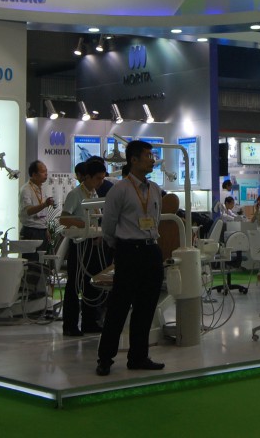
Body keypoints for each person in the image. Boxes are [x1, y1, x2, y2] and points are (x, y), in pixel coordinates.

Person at [96, 140, 165, 376]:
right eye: (148, 156)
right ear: (133, 160)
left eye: (152, 156)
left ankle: (138, 356)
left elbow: (156, 219)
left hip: (151, 250)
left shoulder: (155, 189)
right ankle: (105, 358)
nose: (152, 160)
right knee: (119, 307)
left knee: (146, 307)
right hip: (128, 251)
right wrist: (120, 247)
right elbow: (108, 225)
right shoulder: (119, 190)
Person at [60, 158, 109, 336]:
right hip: (79, 244)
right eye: (98, 178)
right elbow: (64, 219)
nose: (101, 182)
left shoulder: (94, 194)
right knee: (74, 284)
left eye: (102, 178)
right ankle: (70, 325)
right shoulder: (75, 194)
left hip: (93, 243)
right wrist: (85, 225)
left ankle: (90, 322)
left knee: (91, 283)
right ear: (87, 177)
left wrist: (97, 233)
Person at [19, 160, 53, 296]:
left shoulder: (41, 189)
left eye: (46, 171)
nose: (46, 174)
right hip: (31, 231)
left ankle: (39, 294)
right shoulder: (26, 190)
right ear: (34, 174)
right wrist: (44, 205)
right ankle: (28, 295)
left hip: (41, 230)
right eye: (43, 172)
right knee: (31, 265)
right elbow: (28, 211)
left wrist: (46, 229)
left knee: (41, 264)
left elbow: (42, 213)